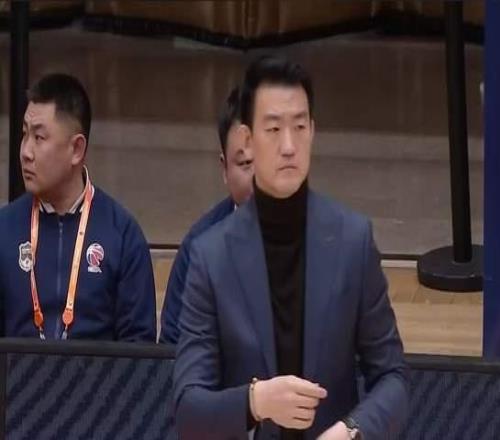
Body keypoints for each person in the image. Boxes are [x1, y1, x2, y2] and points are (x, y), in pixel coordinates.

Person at [173, 56, 408, 439]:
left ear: (313, 131)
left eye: (299, 127)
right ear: (247, 140)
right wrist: (255, 402)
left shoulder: (353, 240)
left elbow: (393, 377)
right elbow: (188, 410)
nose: (288, 146)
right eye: (273, 129)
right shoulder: (210, 256)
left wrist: (352, 431)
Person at [0, 73, 156, 341]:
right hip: (17, 370)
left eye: (39, 138)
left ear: (76, 149)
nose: (25, 151)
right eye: (25, 134)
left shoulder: (122, 234)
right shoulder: (5, 228)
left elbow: (139, 350)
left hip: (98, 371)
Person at [159, 87, 253, 344]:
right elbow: (171, 351)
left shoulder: (325, 240)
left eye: (266, 160)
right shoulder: (199, 247)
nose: (258, 178)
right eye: (245, 164)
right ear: (225, 169)